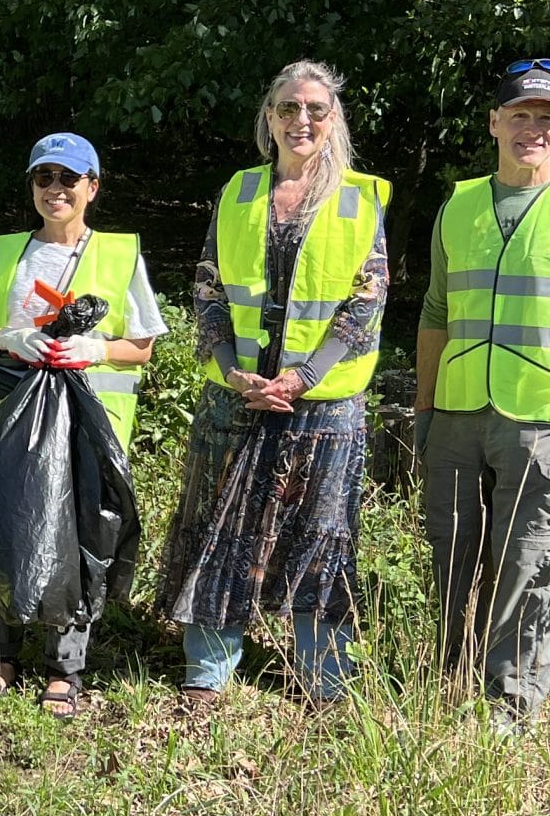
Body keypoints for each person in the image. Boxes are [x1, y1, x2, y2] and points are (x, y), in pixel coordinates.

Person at [156, 62, 391, 707]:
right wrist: (232, 367)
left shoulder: (358, 198)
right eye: (288, 108)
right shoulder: (237, 191)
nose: (302, 120)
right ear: (269, 117)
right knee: (218, 522)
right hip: (237, 394)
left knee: (322, 531)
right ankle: (209, 667)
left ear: (334, 118)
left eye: (315, 108)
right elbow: (207, 284)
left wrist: (303, 375)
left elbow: (368, 296)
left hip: (324, 403)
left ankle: (323, 675)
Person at [415, 59, 550, 725]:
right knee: (453, 552)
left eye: (547, 118)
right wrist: (423, 409)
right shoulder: (460, 205)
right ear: (494, 123)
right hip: (456, 413)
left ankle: (512, 701)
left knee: (529, 559)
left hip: (542, 419)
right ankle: (446, 676)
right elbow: (434, 314)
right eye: (520, 115)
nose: (532, 128)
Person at [0, 133, 162, 716]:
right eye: (44, 178)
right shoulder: (10, 250)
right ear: (32, 186)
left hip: (84, 421)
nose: (56, 190)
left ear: (92, 186)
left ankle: (65, 667)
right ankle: (2, 655)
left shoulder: (119, 253)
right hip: (6, 413)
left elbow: (141, 348)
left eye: (69, 178)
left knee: (76, 532)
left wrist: (96, 348)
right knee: (3, 526)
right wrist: (8, 336)